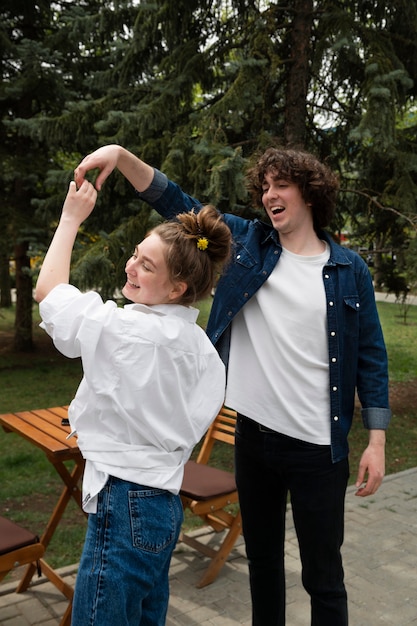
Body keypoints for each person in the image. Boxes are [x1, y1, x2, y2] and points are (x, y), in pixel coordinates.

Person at [74, 145, 391, 626]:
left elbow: (371, 355)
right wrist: (120, 157)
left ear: (309, 192)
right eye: (264, 187)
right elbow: (174, 199)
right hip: (255, 439)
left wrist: (376, 440)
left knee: (323, 577)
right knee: (262, 565)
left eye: (280, 185)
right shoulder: (250, 244)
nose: (269, 195)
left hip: (318, 449)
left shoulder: (349, 270)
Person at [34, 179, 232, 626]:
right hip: (162, 503)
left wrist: (70, 218)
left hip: (123, 503)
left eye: (147, 265)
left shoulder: (126, 331)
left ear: (178, 287)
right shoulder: (201, 347)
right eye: (136, 255)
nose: (131, 266)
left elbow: (48, 293)